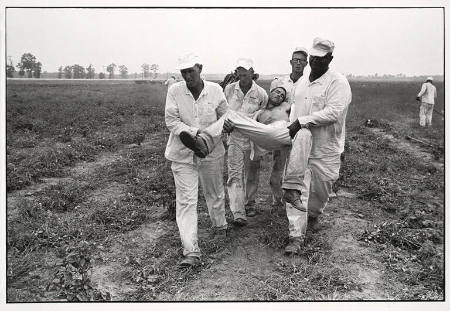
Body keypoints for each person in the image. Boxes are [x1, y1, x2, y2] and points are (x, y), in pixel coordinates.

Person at [282, 37, 352, 255]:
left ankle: (313, 213)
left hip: (326, 148)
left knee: (322, 190)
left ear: (329, 58)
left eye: (320, 59)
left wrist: (302, 122)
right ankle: (295, 236)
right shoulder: (302, 83)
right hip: (302, 147)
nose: (315, 62)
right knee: (296, 187)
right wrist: (290, 128)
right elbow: (294, 110)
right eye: (313, 57)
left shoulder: (338, 82)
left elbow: (334, 113)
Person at [164, 53, 229, 268]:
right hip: (182, 153)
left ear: (200, 68)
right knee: (186, 201)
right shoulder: (174, 91)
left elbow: (225, 115)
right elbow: (171, 121)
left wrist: (223, 127)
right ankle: (191, 250)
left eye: (190, 71)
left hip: (211, 149)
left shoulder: (215, 90)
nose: (187, 76)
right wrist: (194, 133)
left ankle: (219, 226)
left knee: (214, 191)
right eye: (183, 72)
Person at [223, 58, 268, 223]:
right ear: (236, 73)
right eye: (239, 74)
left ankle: (250, 203)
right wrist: (225, 124)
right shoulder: (229, 90)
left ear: (252, 72)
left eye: (245, 73)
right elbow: (222, 110)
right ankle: (238, 212)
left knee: (252, 173)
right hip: (234, 136)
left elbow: (265, 115)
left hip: (253, 139)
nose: (242, 77)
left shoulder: (261, 93)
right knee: (234, 173)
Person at [265, 47, 309, 208]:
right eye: (295, 60)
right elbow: (272, 104)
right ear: (290, 62)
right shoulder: (279, 82)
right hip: (282, 128)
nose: (298, 63)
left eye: (302, 60)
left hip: (300, 128)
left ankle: (294, 200)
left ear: (306, 63)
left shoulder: (309, 82)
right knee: (278, 163)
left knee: (297, 164)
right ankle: (277, 201)